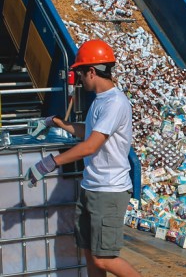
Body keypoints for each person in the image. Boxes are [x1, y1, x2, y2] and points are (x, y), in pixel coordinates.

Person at [26, 39, 141, 277]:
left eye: (80, 72)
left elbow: (90, 145)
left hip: (109, 191)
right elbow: (87, 131)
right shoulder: (100, 101)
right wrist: (56, 122)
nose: (79, 79)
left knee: (104, 259)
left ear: (91, 71)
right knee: (89, 254)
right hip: (91, 187)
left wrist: (51, 162)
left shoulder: (115, 102)